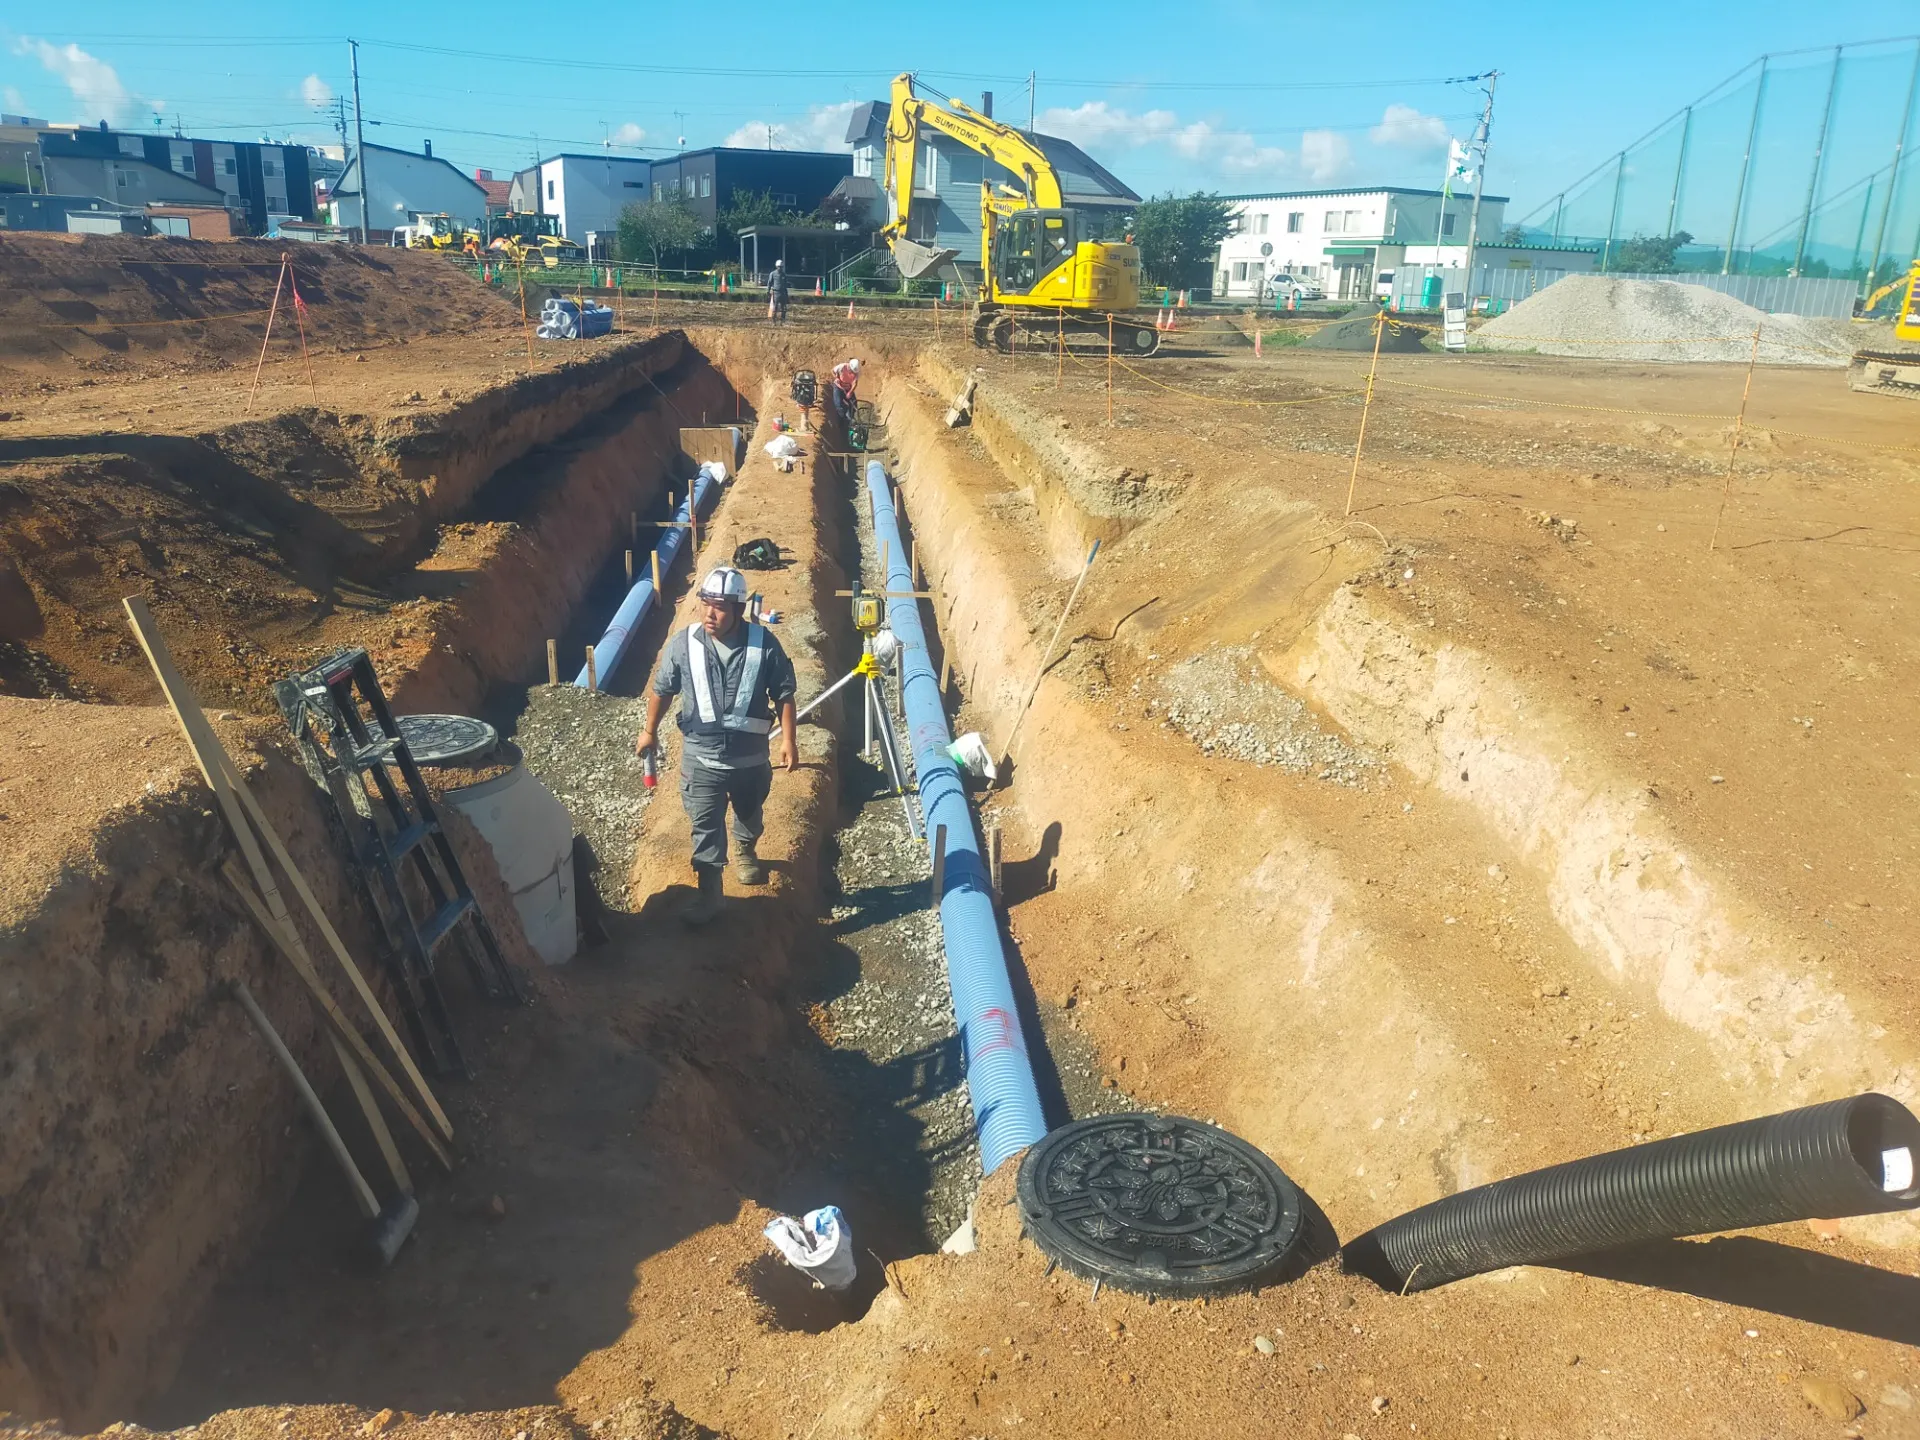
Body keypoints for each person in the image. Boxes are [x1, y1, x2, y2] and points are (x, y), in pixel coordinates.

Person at [637, 566, 799, 924]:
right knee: (705, 824)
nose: (710, 613)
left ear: (738, 609)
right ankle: (711, 896)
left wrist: (789, 740)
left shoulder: (764, 644)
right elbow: (662, 690)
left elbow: (784, 694)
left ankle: (745, 848)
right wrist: (649, 731)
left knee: (749, 814)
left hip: (751, 761)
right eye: (705, 603)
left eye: (720, 606)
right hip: (702, 760)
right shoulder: (684, 643)